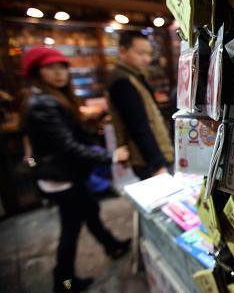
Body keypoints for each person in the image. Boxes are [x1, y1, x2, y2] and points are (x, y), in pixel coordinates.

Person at [21, 46, 131, 293]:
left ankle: (112, 245)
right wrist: (111, 156)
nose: (60, 73)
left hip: (68, 174)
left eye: (62, 67)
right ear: (38, 72)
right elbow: (68, 147)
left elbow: (70, 133)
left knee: (90, 210)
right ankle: (64, 283)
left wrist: (93, 122)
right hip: (61, 178)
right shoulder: (42, 103)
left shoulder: (53, 98)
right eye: (51, 68)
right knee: (71, 228)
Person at [106, 31, 174, 180]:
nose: (147, 59)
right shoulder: (122, 80)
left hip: (152, 153)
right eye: (141, 53)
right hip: (147, 159)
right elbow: (137, 125)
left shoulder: (133, 75)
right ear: (123, 51)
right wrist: (157, 164)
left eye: (149, 54)